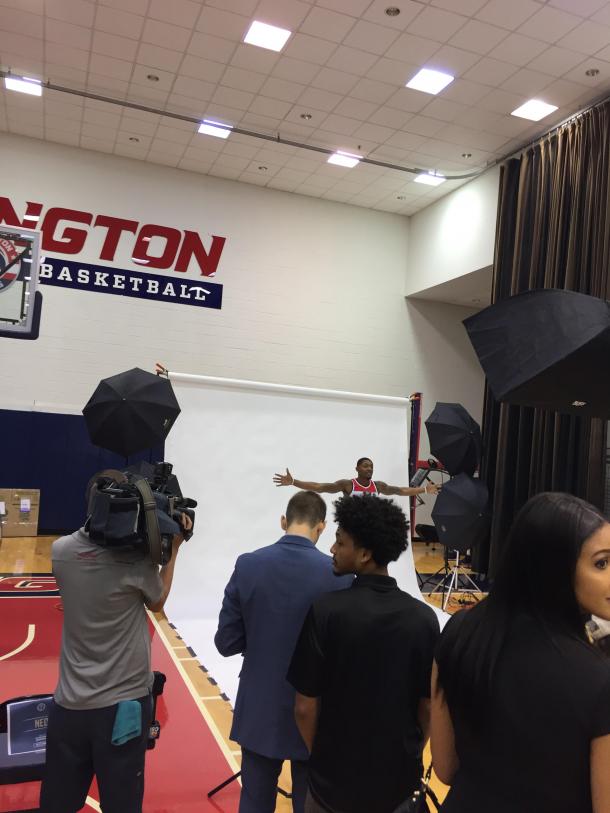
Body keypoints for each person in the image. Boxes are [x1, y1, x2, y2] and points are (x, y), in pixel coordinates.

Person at [431, 492, 610, 813]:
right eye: (602, 563)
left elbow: (443, 766)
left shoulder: (460, 631)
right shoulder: (599, 679)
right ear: (556, 569)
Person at [40, 469, 191, 813]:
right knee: (122, 804)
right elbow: (157, 601)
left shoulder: (60, 552)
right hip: (124, 707)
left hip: (70, 705)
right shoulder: (134, 562)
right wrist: (174, 547)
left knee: (58, 803)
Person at [288, 494, 440, 813]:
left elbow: (304, 707)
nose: (331, 549)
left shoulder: (326, 612)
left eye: (340, 542)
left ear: (365, 554)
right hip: (397, 785)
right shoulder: (423, 619)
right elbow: (427, 708)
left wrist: (324, 757)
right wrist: (410, 752)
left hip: (332, 786)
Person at [214, 491, 352, 813]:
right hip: (317, 714)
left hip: (260, 709)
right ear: (321, 527)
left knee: (255, 803)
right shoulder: (338, 577)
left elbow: (226, 643)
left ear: (283, 521)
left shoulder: (248, 564)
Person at [273, 456, 439, 498]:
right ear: (357, 468)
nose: (369, 468)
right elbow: (319, 487)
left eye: (372, 466)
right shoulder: (347, 485)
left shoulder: (378, 486)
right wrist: (294, 482)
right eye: (366, 466)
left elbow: (400, 490)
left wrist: (424, 489)